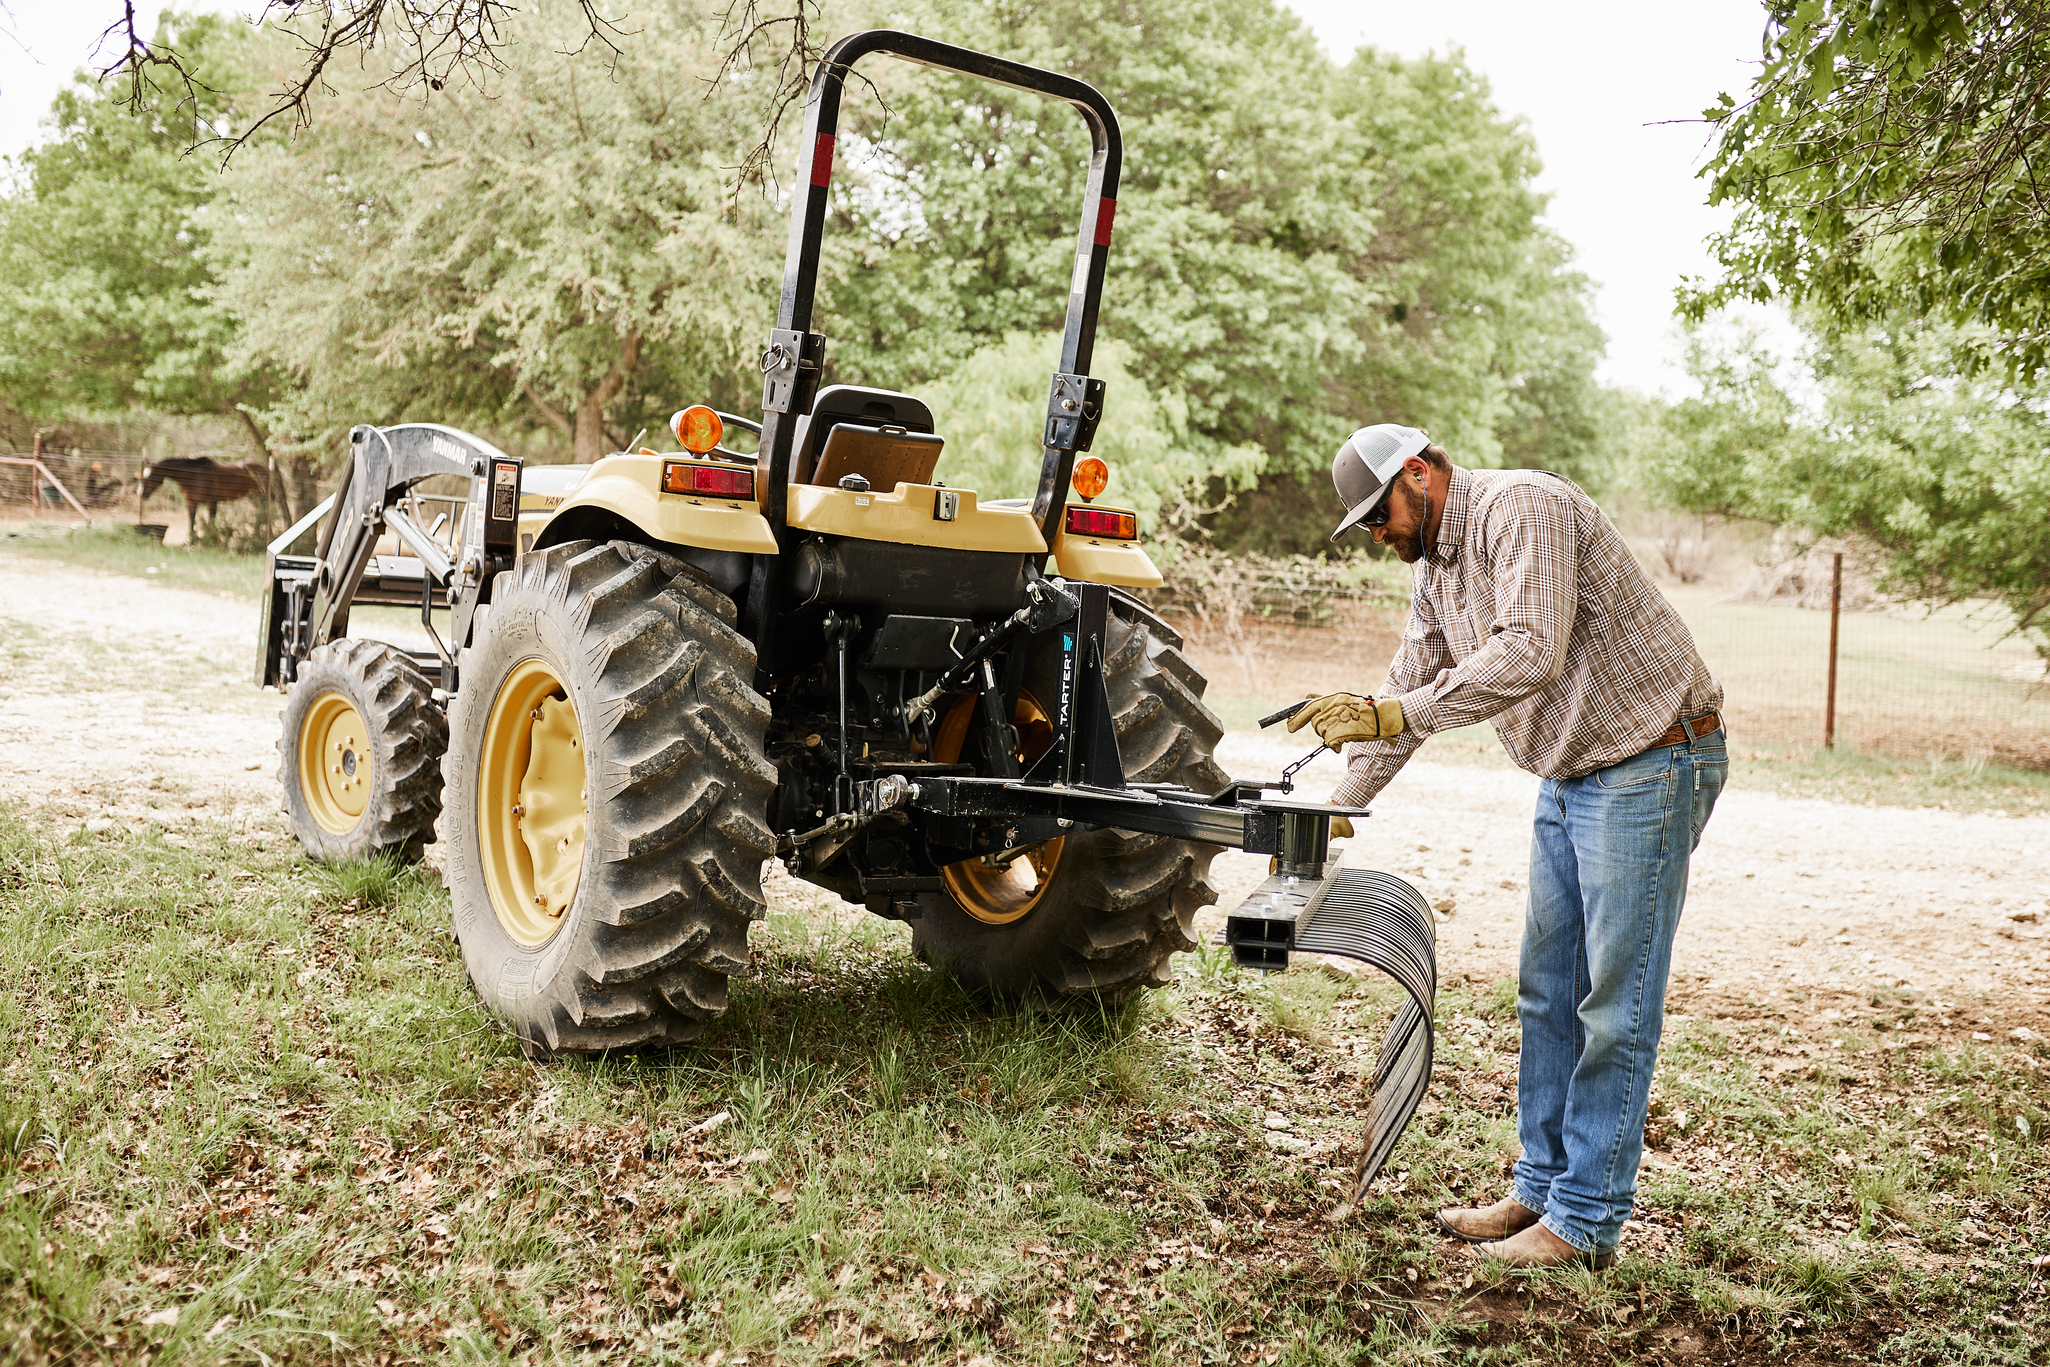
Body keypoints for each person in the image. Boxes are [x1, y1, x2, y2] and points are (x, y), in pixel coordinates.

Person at [1290, 424, 1727, 1270]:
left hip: (1651, 756)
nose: (1378, 535)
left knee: (1613, 998)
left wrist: (1396, 713)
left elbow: (1528, 649)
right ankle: (1541, 1185)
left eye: (1379, 515)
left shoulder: (1522, 506)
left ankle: (1586, 1218)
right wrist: (1338, 808)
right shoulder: (1434, 568)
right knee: (1545, 988)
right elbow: (1406, 692)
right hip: (1571, 773)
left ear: (1419, 473)